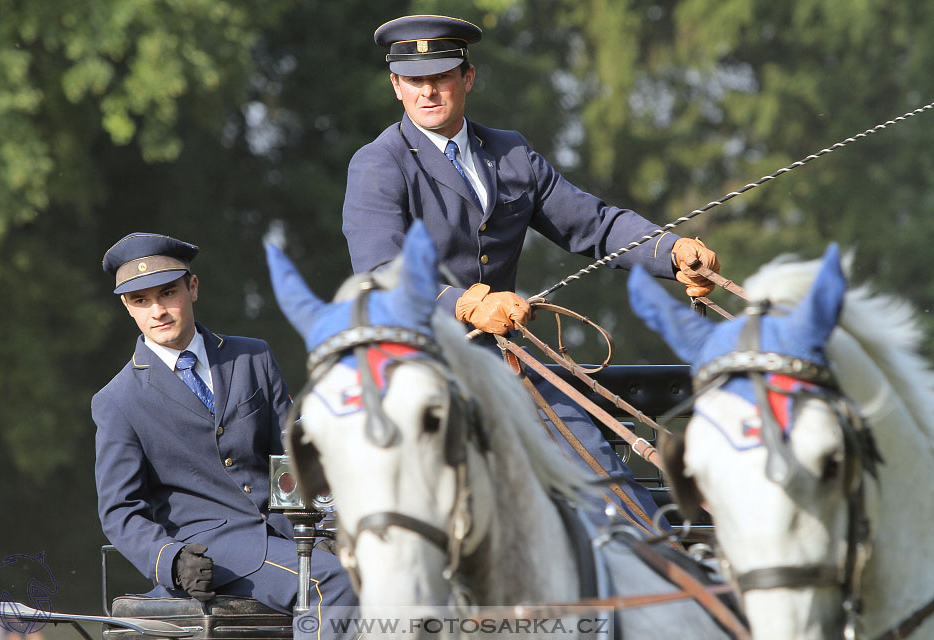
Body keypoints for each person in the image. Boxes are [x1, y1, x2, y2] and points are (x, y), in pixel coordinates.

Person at [341, 15, 721, 533]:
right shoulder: (378, 164)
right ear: (396, 86)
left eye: (443, 76)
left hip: (507, 362)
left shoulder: (512, 152)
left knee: (602, 478)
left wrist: (670, 251)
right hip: (415, 367)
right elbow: (379, 271)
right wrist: (465, 304)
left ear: (468, 78)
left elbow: (594, 224)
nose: (428, 91)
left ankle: (663, 573)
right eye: (414, 80)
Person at [92, 233, 356, 639]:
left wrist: (316, 530)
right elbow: (120, 512)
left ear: (192, 287)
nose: (158, 311)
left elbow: (287, 458)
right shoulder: (118, 399)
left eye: (167, 293)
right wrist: (171, 561)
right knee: (330, 583)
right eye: (141, 301)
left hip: (283, 536)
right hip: (212, 552)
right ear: (127, 306)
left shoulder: (253, 356)